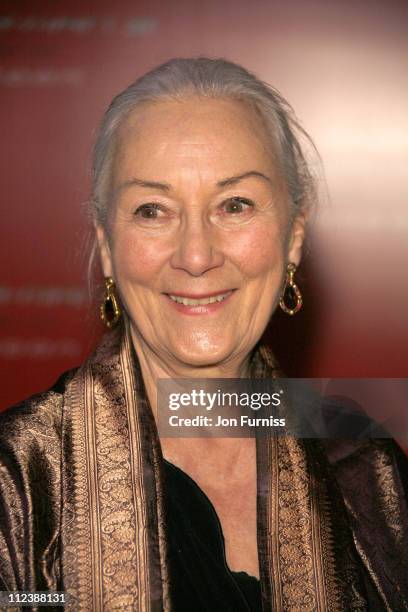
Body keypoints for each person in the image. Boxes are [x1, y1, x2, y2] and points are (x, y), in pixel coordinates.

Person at [0, 57, 407, 612]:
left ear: (293, 236)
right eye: (153, 210)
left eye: (234, 205)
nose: (196, 256)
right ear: (107, 244)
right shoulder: (19, 482)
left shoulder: (364, 464)